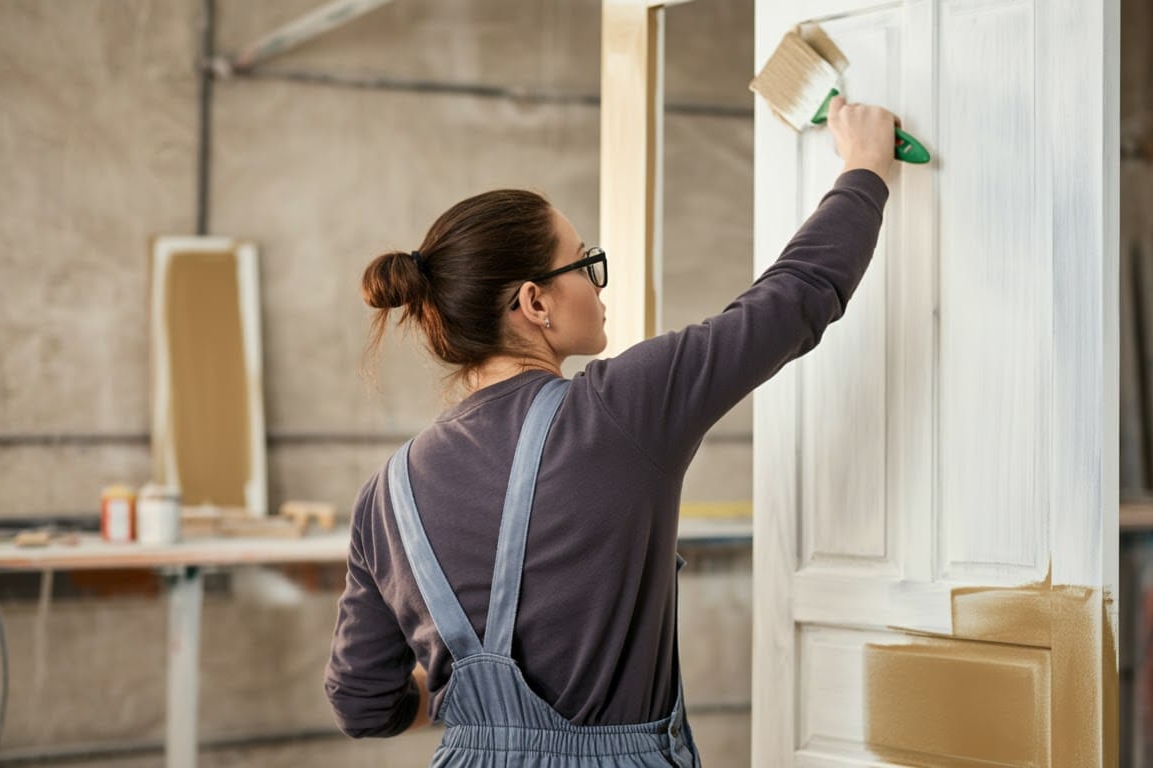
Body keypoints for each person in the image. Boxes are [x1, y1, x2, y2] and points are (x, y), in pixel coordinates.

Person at [325, 96, 897, 766]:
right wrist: (865, 166)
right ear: (534, 302)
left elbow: (363, 703)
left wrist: (472, 713)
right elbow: (793, 297)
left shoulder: (383, 497)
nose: (599, 287)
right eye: (585, 264)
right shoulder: (620, 410)